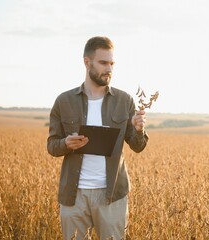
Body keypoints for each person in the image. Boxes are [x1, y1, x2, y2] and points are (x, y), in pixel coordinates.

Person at [47, 36, 148, 240]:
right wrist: (66, 144)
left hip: (112, 196)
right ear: (87, 62)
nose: (109, 69)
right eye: (103, 63)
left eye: (112, 63)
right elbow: (52, 145)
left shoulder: (124, 100)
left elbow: (137, 146)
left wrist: (138, 130)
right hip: (73, 196)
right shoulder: (63, 101)